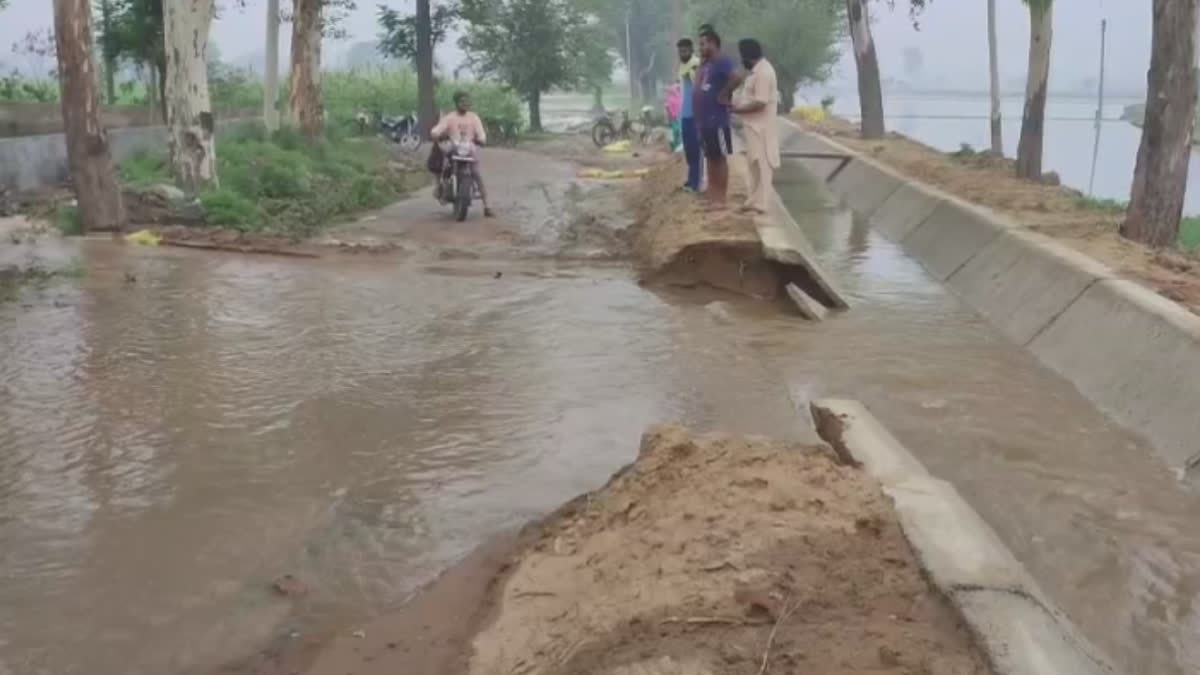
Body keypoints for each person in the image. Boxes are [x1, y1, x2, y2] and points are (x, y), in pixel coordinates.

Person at [732, 38, 779, 215]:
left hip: (762, 126)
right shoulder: (756, 71)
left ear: (747, 55)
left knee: (763, 164)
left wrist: (738, 109)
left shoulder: (764, 73)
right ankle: (754, 199)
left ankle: (762, 203)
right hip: (753, 125)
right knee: (754, 163)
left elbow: (760, 102)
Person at [694, 28, 741, 207]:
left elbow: (736, 78)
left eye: (703, 44)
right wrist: (701, 64)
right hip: (705, 120)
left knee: (719, 158)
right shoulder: (706, 65)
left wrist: (724, 94)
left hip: (717, 119)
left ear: (713, 43)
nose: (700, 48)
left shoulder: (722, 61)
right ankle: (712, 195)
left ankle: (721, 199)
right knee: (710, 158)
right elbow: (698, 86)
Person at [429, 91, 494, 217]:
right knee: (440, 165)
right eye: (462, 101)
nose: (465, 104)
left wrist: (481, 139)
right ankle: (438, 187)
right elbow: (437, 129)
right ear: (456, 103)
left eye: (467, 101)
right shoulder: (450, 117)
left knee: (476, 174)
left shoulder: (473, 117)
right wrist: (436, 134)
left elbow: (481, 133)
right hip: (454, 149)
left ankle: (487, 206)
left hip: (468, 150)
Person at [676, 38, 702, 191]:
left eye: (685, 51)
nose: (682, 54)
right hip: (685, 114)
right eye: (680, 52)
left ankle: (696, 182)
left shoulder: (695, 65)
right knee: (688, 149)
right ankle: (691, 179)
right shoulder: (683, 66)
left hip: (694, 114)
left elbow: (698, 91)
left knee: (695, 149)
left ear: (691, 50)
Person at [664, 83, 683, 152]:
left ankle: (677, 146)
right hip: (672, 118)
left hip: (677, 117)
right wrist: (673, 115)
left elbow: (680, 107)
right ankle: (674, 147)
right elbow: (669, 109)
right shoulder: (669, 98)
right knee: (673, 132)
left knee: (677, 132)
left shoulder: (679, 97)